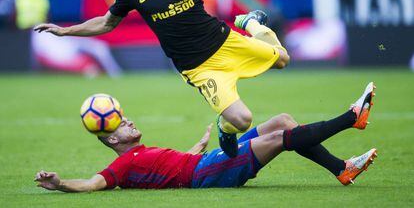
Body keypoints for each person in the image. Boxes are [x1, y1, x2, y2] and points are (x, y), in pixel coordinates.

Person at [34, 0, 290, 158]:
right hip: (199, 67)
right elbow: (106, 23)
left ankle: (251, 24)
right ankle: (225, 128)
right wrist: (66, 31)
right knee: (242, 120)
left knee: (282, 60)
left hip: (225, 41)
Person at [34, 82, 377, 191]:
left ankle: (341, 169)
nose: (129, 121)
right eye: (122, 123)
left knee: (282, 120)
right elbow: (94, 184)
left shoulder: (138, 155)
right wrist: (60, 183)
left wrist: (192, 150)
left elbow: (162, 170)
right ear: (111, 140)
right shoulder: (122, 166)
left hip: (203, 162)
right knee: (279, 138)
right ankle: (351, 118)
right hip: (206, 173)